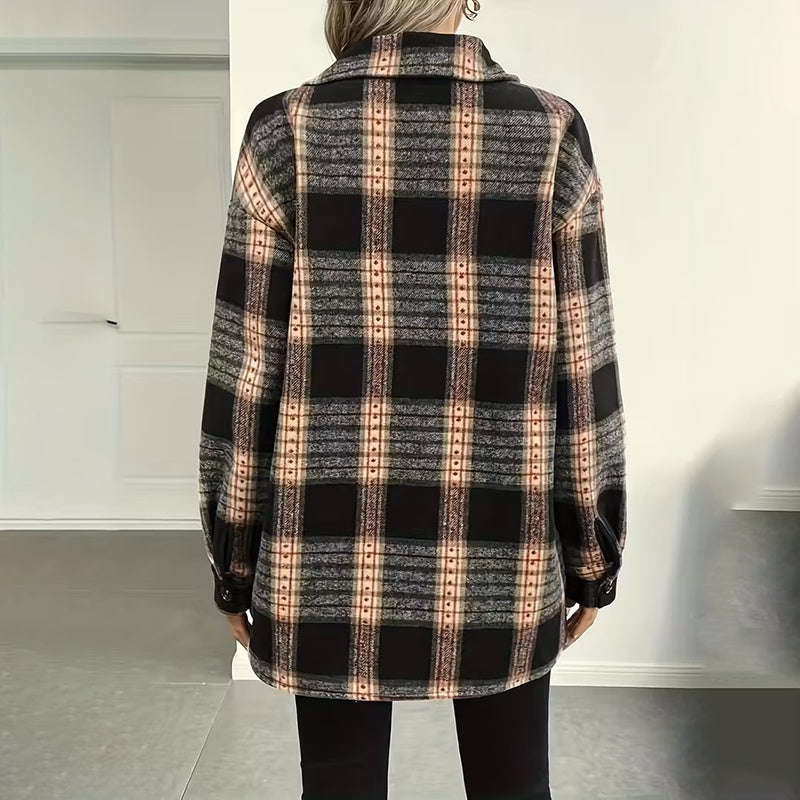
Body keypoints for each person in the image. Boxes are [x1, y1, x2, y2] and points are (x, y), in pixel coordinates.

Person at [198, 0, 627, 797]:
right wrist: (593, 553)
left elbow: (245, 374)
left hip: (328, 552)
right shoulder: (549, 134)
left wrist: (235, 560)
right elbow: (584, 370)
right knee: (512, 786)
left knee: (340, 787)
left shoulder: (287, 133)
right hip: (500, 549)